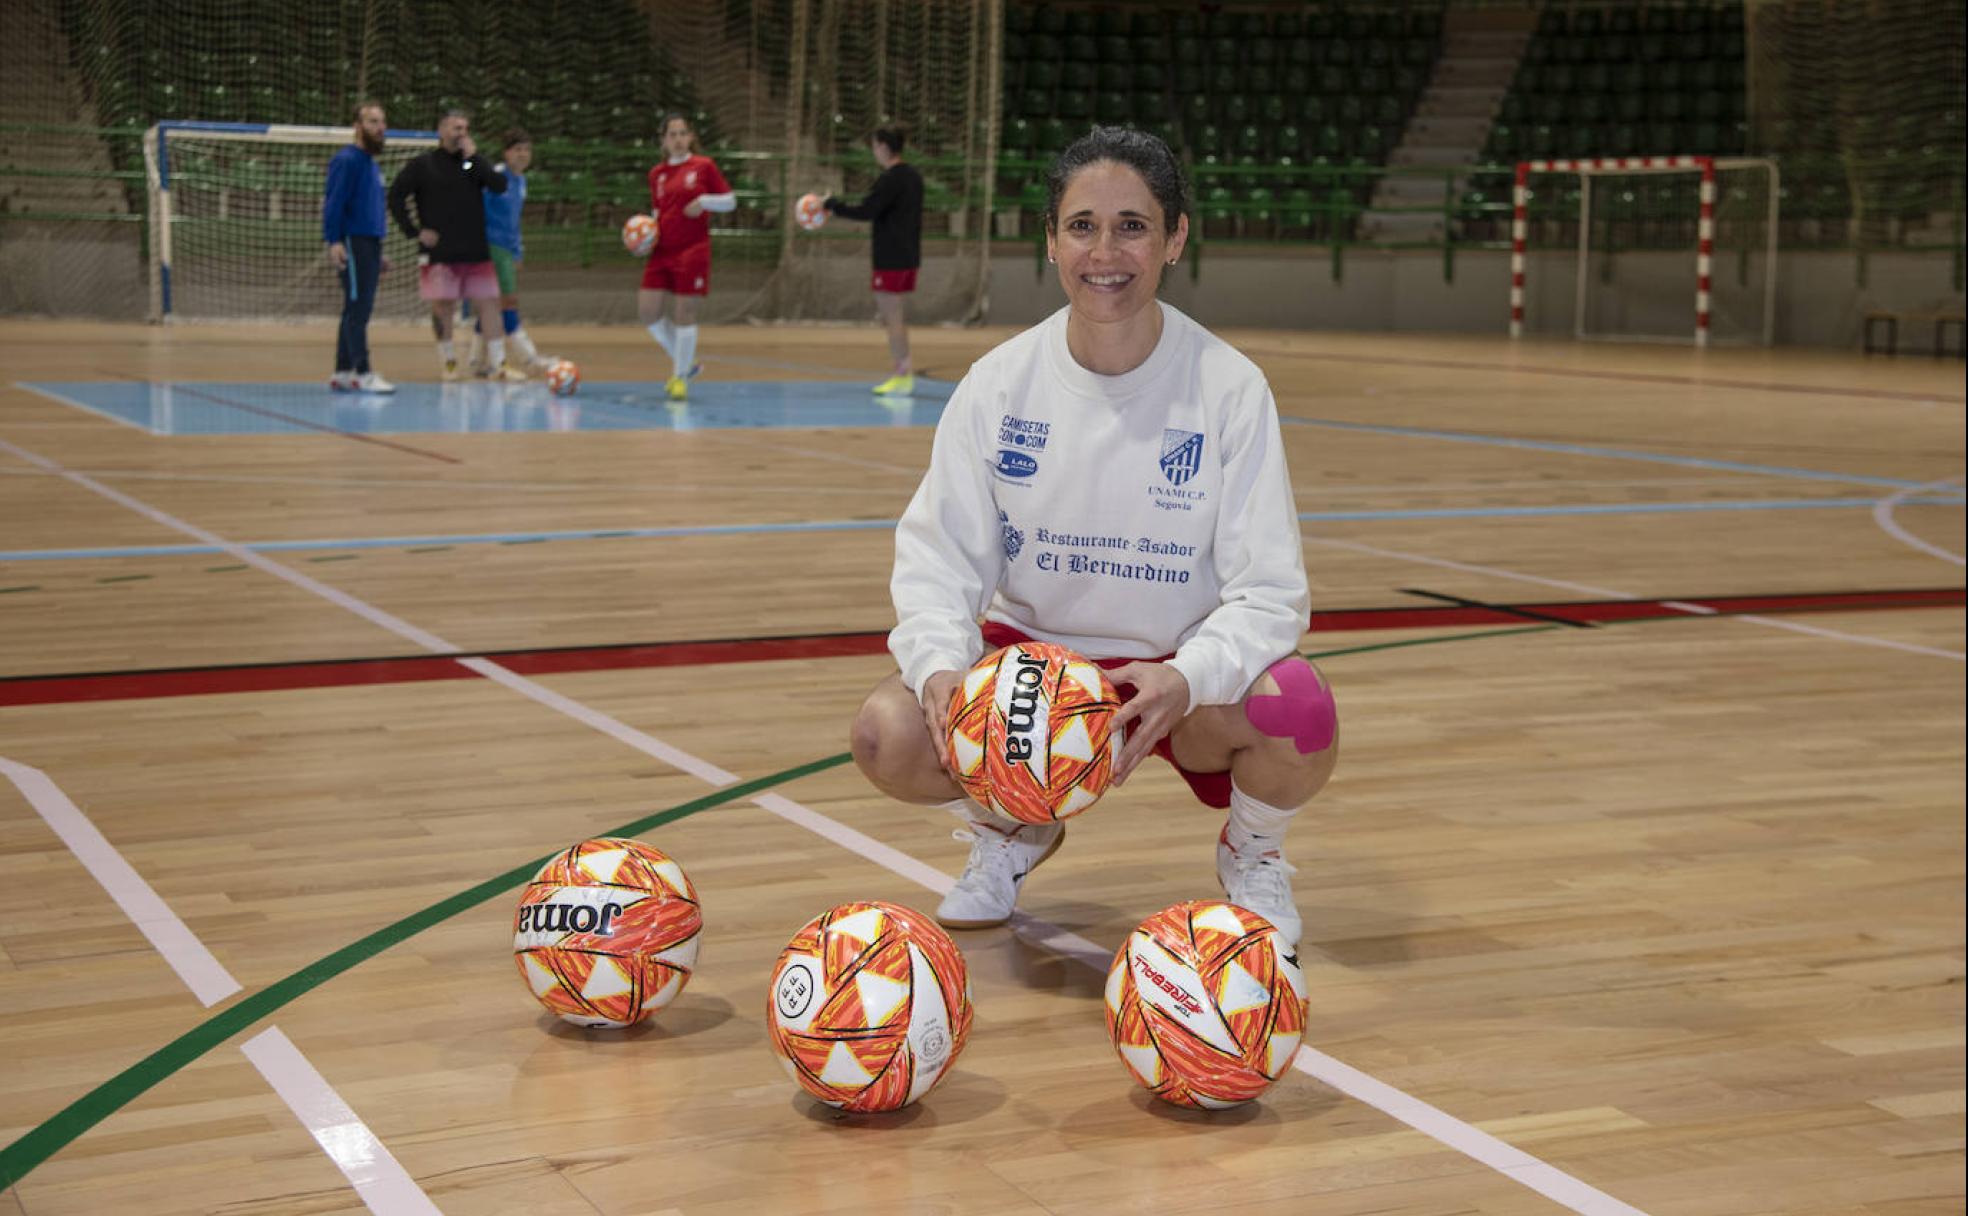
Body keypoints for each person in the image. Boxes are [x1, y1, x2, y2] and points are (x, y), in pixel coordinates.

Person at [847, 126, 1336, 946]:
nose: (1105, 251)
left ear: (1175, 238)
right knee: (886, 732)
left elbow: (1272, 594)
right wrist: (937, 668)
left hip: (1173, 675)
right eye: (1082, 225)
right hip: (1029, 670)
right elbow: (937, 558)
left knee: (1300, 709)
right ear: (1050, 240)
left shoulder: (1229, 388)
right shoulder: (1000, 383)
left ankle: (1253, 852)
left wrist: (1187, 675)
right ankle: (1013, 828)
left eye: (1133, 225)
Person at [387, 109, 517, 382]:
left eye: (465, 129)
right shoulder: (423, 165)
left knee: (490, 304)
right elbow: (396, 196)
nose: (461, 134)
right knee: (443, 307)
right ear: (441, 130)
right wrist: (414, 231)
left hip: (475, 250)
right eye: (456, 128)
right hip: (440, 253)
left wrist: (475, 158)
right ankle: (448, 364)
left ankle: (499, 364)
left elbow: (500, 185)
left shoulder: (472, 165)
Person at [639, 113, 734, 401]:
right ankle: (687, 363)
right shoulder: (656, 174)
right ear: (664, 141)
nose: (678, 139)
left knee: (684, 314)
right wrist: (645, 240)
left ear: (690, 137)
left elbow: (731, 201)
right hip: (662, 250)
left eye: (683, 133)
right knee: (648, 312)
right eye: (672, 134)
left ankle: (679, 378)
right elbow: (657, 214)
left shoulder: (704, 166)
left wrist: (704, 201)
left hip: (693, 249)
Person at [824, 126, 924, 396]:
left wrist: (833, 206)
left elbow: (867, 210)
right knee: (894, 315)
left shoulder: (891, 179)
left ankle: (902, 375)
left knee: (892, 317)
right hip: (909, 256)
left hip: (890, 258)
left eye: (875, 146)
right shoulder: (914, 177)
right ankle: (902, 372)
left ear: (883, 147)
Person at [466, 129, 554, 375]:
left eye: (526, 150)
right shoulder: (495, 177)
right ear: (506, 153)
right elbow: (475, 209)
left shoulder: (521, 181)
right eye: (517, 150)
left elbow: (513, 220)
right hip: (490, 248)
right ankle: (528, 358)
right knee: (507, 303)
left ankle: (476, 359)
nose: (522, 155)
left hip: (506, 249)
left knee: (491, 305)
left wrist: (517, 251)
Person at [322, 101, 395, 393]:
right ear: (358, 126)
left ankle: (342, 371)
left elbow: (370, 209)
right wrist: (334, 240)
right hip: (353, 241)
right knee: (359, 309)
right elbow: (333, 202)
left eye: (382, 122)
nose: (380, 128)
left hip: (369, 243)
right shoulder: (347, 160)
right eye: (373, 121)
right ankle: (363, 372)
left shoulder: (371, 164)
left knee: (354, 308)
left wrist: (379, 250)